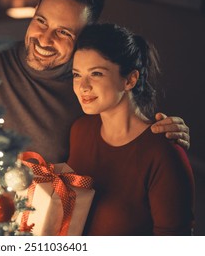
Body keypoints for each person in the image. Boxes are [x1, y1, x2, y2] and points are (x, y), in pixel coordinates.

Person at [0, 0, 190, 163]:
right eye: (41, 21)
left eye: (63, 32)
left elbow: (131, 137)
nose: (44, 39)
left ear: (84, 36)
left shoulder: (89, 86)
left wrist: (168, 135)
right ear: (34, 13)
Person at [67, 23, 195, 235]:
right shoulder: (80, 130)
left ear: (130, 79)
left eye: (96, 73)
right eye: (76, 74)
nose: (83, 86)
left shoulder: (164, 155)